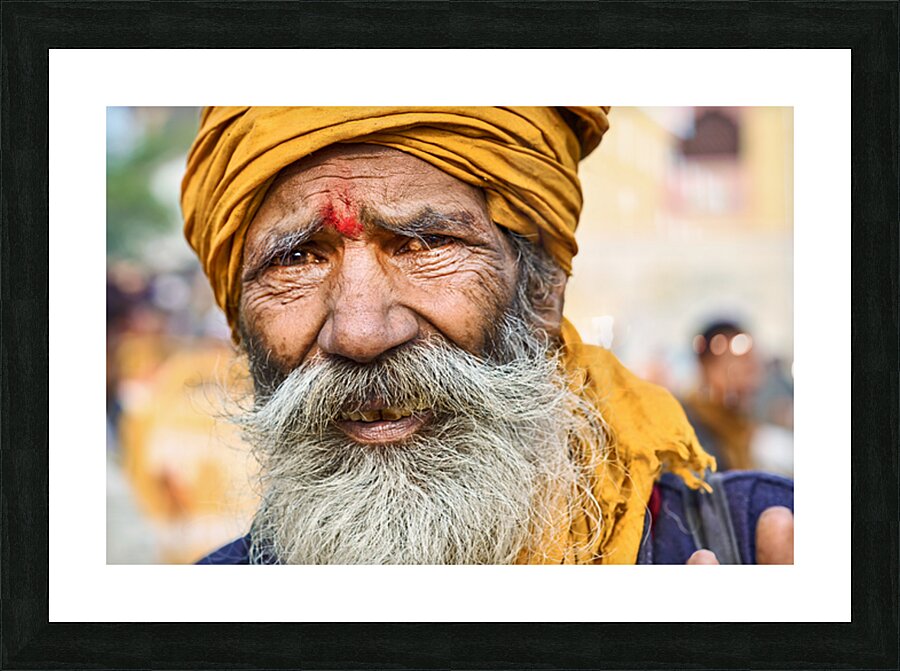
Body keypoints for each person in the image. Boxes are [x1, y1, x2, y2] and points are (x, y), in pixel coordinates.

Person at [181, 107, 793, 565]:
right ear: (242, 325)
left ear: (543, 293)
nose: (361, 332)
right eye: (295, 259)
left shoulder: (768, 546)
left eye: (425, 244)